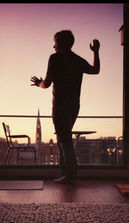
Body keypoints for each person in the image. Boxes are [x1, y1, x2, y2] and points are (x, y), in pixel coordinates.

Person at [31, 30, 100, 184]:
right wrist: (96, 52)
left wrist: (38, 84)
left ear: (61, 42)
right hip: (74, 105)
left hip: (61, 105)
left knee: (65, 140)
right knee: (64, 138)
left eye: (55, 41)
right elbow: (95, 70)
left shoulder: (55, 58)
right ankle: (66, 173)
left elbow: (47, 84)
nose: (53, 45)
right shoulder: (77, 59)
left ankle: (70, 175)